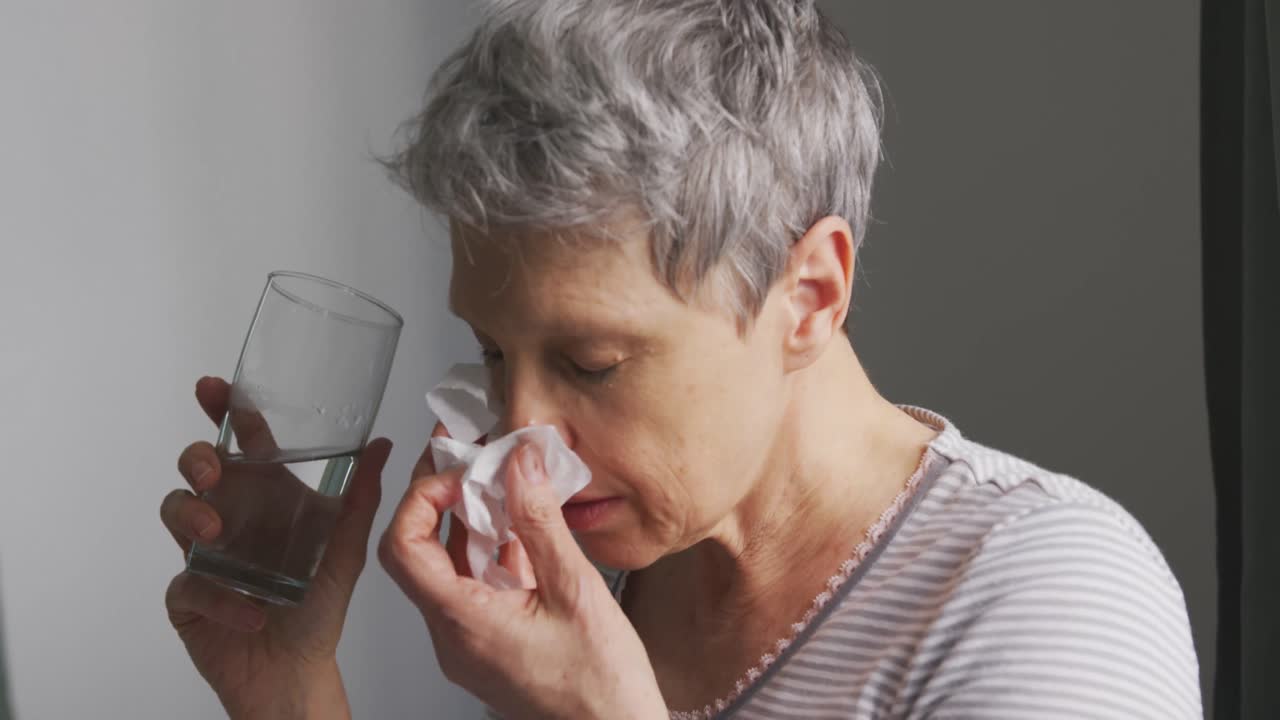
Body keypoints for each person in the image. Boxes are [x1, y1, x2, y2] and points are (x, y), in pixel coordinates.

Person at [160, 1, 1203, 717]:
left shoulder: (1042, 600)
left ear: (809, 295)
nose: (518, 427)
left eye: (592, 363)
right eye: (488, 348)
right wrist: (291, 693)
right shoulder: (597, 594)